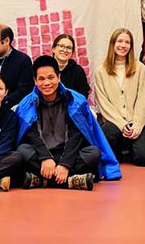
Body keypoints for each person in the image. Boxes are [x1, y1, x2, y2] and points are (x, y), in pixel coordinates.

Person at [15, 56, 120, 189]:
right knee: (22, 151)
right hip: (41, 155)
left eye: (51, 77)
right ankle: (71, 181)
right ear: (35, 81)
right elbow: (31, 135)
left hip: (70, 153)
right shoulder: (27, 103)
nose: (47, 83)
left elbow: (76, 135)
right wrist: (45, 158)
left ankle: (43, 180)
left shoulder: (75, 100)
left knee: (93, 153)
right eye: (41, 79)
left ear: (59, 78)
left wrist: (65, 164)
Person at [93, 28, 145, 167]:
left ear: (131, 46)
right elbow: (104, 104)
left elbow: (144, 99)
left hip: (137, 121)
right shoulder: (100, 71)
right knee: (106, 142)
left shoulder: (139, 68)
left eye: (127, 42)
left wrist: (137, 125)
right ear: (113, 43)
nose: (123, 45)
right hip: (114, 122)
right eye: (120, 41)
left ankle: (131, 146)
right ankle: (121, 147)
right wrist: (122, 125)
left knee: (144, 158)